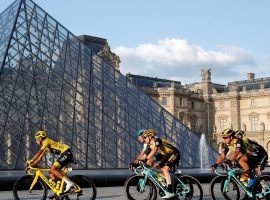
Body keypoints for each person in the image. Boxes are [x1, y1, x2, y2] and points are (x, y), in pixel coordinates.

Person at [141, 129, 180, 199]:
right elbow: (145, 155)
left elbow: (155, 150)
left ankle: (170, 191)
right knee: (155, 167)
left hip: (174, 153)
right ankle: (169, 180)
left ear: (150, 137)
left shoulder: (157, 140)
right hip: (167, 155)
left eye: (145, 137)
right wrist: (136, 163)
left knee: (165, 169)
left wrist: (146, 160)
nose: (144, 139)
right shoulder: (149, 145)